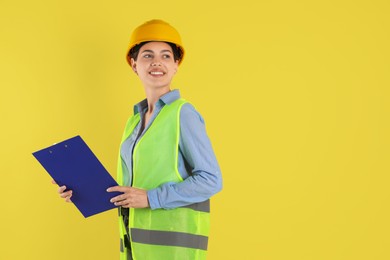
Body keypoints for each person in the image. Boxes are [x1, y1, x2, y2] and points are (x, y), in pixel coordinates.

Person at [54, 19, 222, 260]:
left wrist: (151, 197)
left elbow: (211, 180)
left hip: (173, 249)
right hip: (133, 244)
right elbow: (130, 189)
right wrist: (80, 191)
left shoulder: (182, 113)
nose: (157, 62)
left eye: (166, 56)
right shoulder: (134, 122)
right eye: (147, 55)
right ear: (134, 65)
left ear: (176, 65)